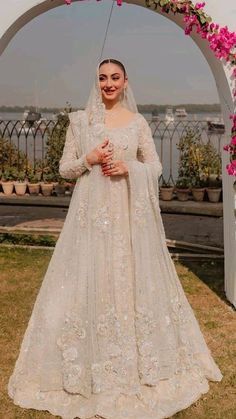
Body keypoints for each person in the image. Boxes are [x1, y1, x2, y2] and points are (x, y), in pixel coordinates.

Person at [8, 58, 223, 419]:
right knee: (88, 282)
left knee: (127, 280)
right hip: (89, 219)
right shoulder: (81, 121)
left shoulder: (138, 123)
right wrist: (89, 158)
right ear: (97, 82)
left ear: (125, 82)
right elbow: (64, 169)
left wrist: (130, 168)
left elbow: (154, 166)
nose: (108, 84)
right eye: (102, 78)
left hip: (125, 217)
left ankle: (137, 361)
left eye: (115, 78)